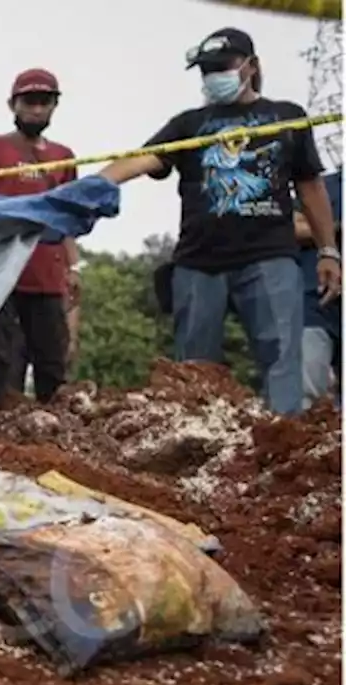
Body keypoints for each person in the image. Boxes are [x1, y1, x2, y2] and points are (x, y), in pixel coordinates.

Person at [97, 28, 341, 416]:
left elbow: (311, 188)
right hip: (198, 264)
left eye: (221, 66)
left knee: (283, 363)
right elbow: (142, 159)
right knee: (193, 371)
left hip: (270, 259)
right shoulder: (189, 124)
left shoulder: (287, 116)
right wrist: (92, 184)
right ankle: (191, 453)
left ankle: (282, 447)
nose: (213, 76)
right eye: (206, 70)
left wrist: (328, 251)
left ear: (251, 66)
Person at [0, 68, 81, 409]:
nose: (36, 109)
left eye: (45, 102)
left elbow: (67, 218)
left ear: (55, 106)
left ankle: (55, 435)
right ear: (13, 104)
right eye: (29, 101)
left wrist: (75, 267)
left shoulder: (63, 156)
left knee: (53, 362)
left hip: (46, 276)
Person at [294, 169, 342, 408]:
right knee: (306, 397)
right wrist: (332, 230)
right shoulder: (324, 185)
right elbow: (290, 225)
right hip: (314, 304)